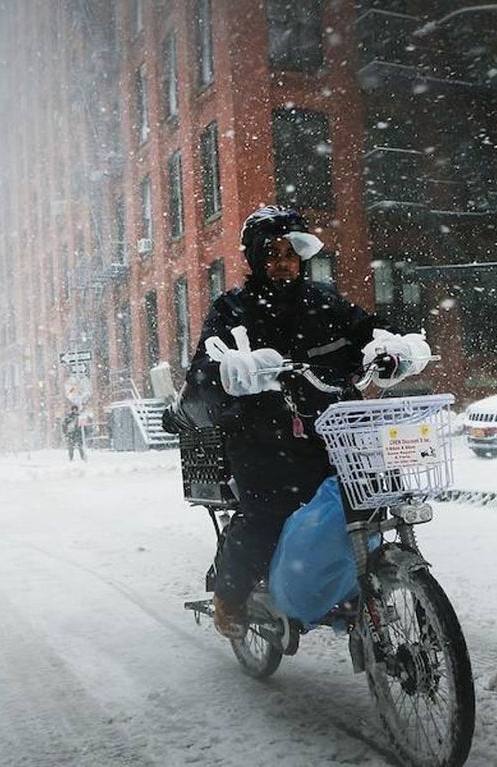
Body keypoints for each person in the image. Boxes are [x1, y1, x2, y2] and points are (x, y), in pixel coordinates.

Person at [169, 206, 432, 638]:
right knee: (267, 514)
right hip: (261, 436)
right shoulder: (233, 309)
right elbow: (203, 372)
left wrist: (388, 348)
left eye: (291, 253)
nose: (283, 262)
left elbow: (368, 330)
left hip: (334, 429)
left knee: (369, 500)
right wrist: (233, 371)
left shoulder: (323, 302)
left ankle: (350, 582)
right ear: (256, 258)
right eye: (272, 253)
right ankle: (230, 598)